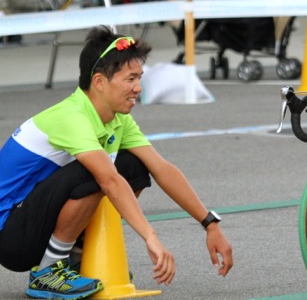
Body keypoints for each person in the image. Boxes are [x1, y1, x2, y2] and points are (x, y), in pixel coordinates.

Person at [0, 26, 233, 300]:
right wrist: (150, 237)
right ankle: (49, 270)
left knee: (133, 165)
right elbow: (108, 180)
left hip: (34, 222)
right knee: (98, 172)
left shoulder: (118, 118)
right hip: (10, 236)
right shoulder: (72, 117)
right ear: (99, 82)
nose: (138, 88)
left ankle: (76, 259)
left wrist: (210, 224)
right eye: (130, 79)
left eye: (139, 78)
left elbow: (162, 169)